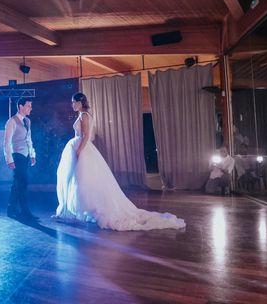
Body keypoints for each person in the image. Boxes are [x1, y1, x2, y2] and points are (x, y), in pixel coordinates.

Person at [54, 92, 185, 231]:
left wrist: (79, 150)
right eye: (72, 102)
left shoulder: (84, 115)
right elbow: (90, 137)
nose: (72, 105)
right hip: (85, 148)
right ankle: (84, 209)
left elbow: (87, 136)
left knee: (83, 180)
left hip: (83, 149)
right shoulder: (86, 115)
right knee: (81, 180)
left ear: (80, 102)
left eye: (74, 102)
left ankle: (91, 207)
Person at [3, 97, 38, 221]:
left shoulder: (28, 121)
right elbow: (7, 142)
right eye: (28, 106)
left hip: (26, 156)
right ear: (21, 107)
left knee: (18, 183)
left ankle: (12, 209)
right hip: (17, 155)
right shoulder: (11, 121)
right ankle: (24, 211)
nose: (31, 108)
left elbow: (29, 139)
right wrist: (9, 159)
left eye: (31, 106)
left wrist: (32, 154)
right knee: (21, 183)